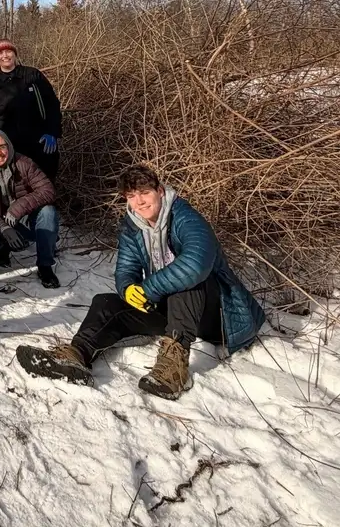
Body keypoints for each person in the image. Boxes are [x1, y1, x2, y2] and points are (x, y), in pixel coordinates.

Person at [14, 164, 266, 399]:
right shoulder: (133, 226)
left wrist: (148, 288)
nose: (139, 202)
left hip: (221, 316)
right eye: (131, 196)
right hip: (174, 311)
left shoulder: (187, 219)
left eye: (144, 193)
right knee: (106, 303)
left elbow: (195, 265)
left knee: (187, 282)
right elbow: (126, 268)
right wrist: (129, 289)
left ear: (159, 191)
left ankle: (173, 369)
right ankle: (76, 355)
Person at [0, 130, 60, 288]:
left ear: (9, 147)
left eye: (2, 146)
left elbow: (48, 190)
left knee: (48, 212)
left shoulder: (23, 163)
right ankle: (3, 248)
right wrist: (3, 227)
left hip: (23, 217)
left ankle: (45, 266)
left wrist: (19, 207)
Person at [0, 40, 61, 181]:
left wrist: (53, 131)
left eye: (9, 51)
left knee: (45, 181)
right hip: (9, 145)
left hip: (39, 141)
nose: (5, 55)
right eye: (0, 53)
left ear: (15, 55)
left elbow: (52, 104)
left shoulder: (32, 75)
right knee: (18, 184)